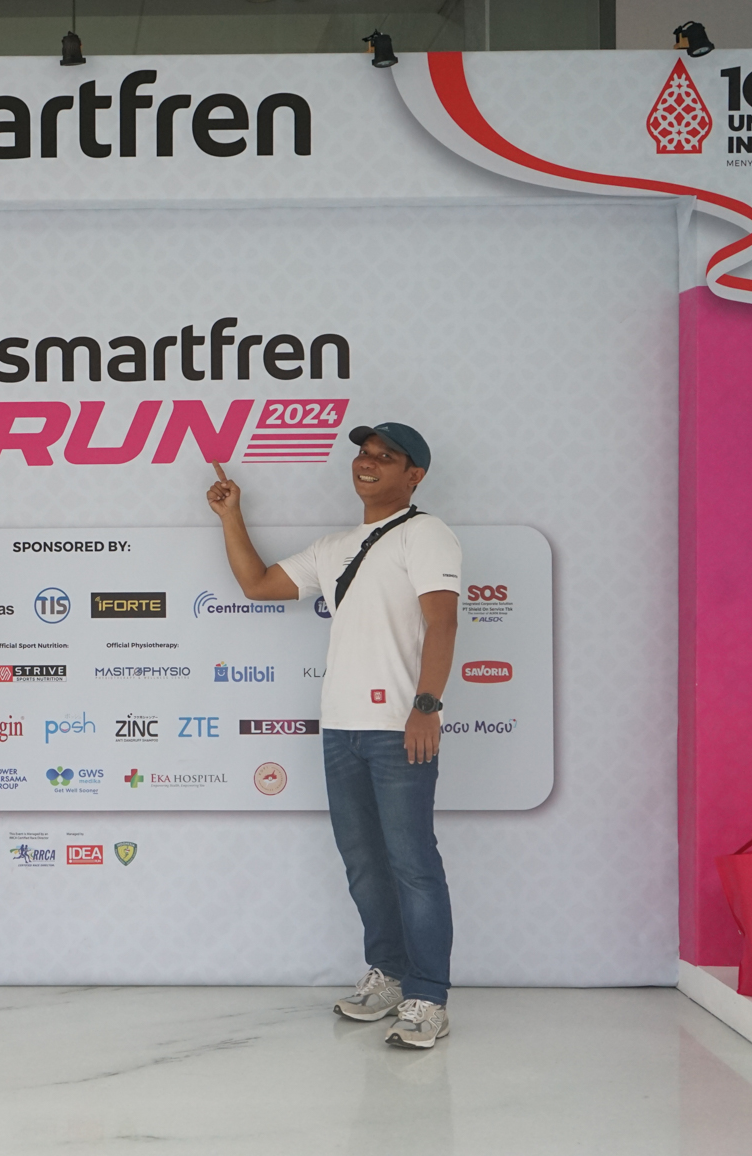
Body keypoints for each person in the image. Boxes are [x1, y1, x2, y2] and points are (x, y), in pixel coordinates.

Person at [206, 422, 461, 1049]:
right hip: (340, 727)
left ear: (414, 475)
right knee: (364, 864)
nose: (367, 462)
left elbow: (443, 622)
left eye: (386, 457)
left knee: (413, 864)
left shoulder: (426, 532)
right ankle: (389, 976)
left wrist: (426, 706)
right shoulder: (334, 546)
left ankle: (428, 997)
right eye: (364, 453)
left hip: (398, 728)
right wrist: (231, 516)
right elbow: (258, 585)